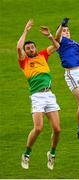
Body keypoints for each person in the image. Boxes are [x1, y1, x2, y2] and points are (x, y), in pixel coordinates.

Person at [17, 19, 61, 170]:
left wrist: (49, 36)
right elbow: (18, 47)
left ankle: (52, 154)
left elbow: (57, 46)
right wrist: (26, 30)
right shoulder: (24, 62)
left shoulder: (43, 55)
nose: (30, 49)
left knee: (57, 129)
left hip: (49, 95)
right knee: (39, 127)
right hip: (37, 96)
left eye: (31, 47)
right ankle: (27, 154)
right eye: (27, 48)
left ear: (36, 48)